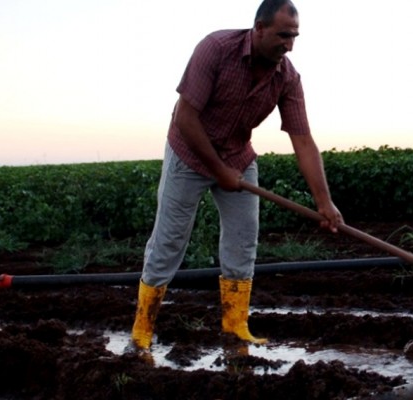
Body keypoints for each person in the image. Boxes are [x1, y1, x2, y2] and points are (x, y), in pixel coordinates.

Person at [128, 0, 343, 354]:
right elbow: (185, 116)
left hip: (238, 157)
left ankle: (235, 328)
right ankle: (142, 331)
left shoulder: (287, 77)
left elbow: (303, 140)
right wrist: (218, 171)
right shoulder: (216, 49)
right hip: (188, 154)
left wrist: (324, 202)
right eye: (282, 35)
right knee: (168, 243)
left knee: (243, 242)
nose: (289, 45)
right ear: (258, 28)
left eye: (294, 37)